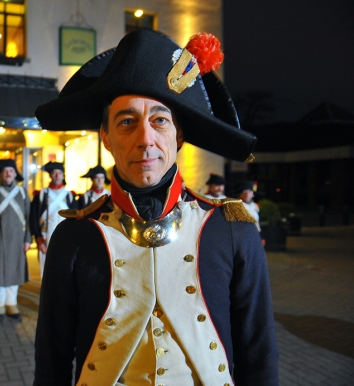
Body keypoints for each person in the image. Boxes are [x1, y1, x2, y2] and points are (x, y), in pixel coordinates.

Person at [33, 29, 278, 385]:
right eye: (127, 122)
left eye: (159, 120)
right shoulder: (74, 236)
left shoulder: (232, 229)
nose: (145, 139)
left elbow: (259, 356)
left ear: (178, 135)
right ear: (106, 137)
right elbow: (52, 361)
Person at [0, 159, 30, 321]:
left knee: (14, 270)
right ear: (1, 174)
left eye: (11, 171)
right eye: (5, 171)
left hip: (17, 239)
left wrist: (27, 239)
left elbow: (29, 219)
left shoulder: (22, 193)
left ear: (15, 174)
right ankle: (0, 306)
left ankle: (12, 304)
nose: (8, 174)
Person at [29, 162, 77, 278]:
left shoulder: (70, 195)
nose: (57, 175)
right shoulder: (41, 195)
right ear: (50, 175)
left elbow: (77, 220)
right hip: (46, 237)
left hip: (67, 238)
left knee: (66, 272)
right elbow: (33, 219)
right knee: (46, 273)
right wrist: (39, 240)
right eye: (54, 173)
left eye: (59, 173)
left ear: (63, 176)